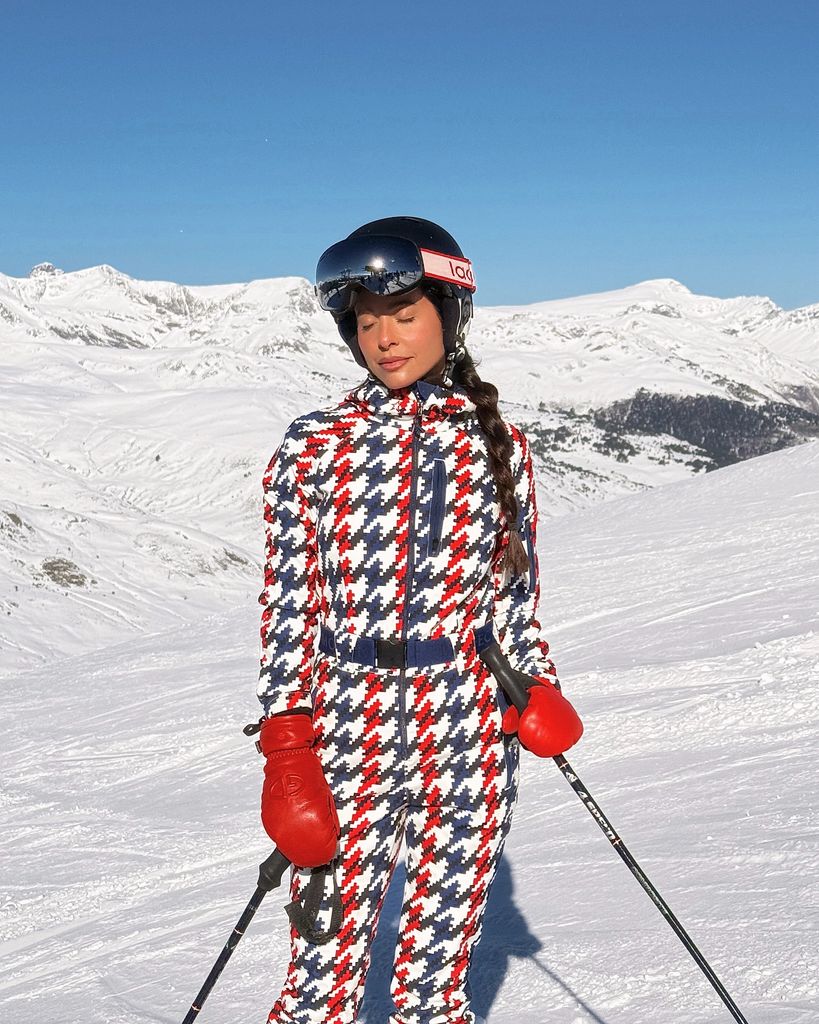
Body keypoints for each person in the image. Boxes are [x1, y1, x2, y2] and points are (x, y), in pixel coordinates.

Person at [255, 217, 583, 1024]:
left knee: (433, 988)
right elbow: (291, 600)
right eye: (366, 321)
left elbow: (511, 601)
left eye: (403, 315)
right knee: (319, 977)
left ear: (449, 314)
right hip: (349, 722)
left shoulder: (494, 444)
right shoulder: (315, 445)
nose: (384, 338)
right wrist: (287, 742)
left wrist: (536, 684)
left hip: (466, 723)